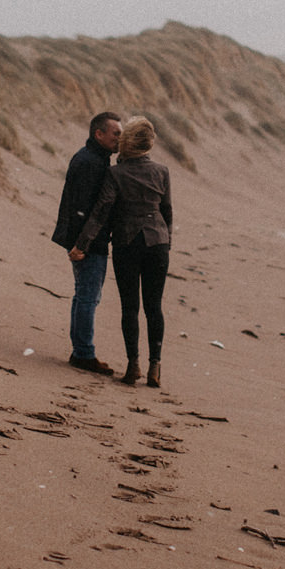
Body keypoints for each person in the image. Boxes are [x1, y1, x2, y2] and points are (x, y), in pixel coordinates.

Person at [70, 116, 172, 387]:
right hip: (158, 243)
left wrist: (82, 244)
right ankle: (155, 368)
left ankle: (133, 365)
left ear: (128, 142)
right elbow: (167, 212)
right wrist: (167, 242)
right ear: (149, 144)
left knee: (130, 307)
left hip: (128, 244)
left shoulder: (116, 173)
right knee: (154, 307)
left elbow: (101, 211)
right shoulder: (162, 171)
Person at [53, 111, 123, 372]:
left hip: (85, 239)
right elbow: (84, 208)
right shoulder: (91, 162)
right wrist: (82, 244)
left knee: (85, 295)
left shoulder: (95, 158)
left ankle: (80, 350)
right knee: (88, 296)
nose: (120, 138)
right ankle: (83, 352)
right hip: (88, 242)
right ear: (99, 134)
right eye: (116, 133)